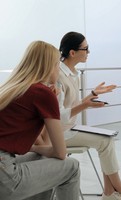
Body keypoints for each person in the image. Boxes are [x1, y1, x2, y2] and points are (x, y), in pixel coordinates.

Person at [43, 31, 121, 200]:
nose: (88, 52)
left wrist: (92, 94)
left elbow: (71, 105)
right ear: (72, 53)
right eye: (86, 49)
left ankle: (109, 193)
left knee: (105, 140)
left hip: (69, 127)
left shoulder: (73, 74)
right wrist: (85, 104)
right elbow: (56, 116)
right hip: (58, 134)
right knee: (105, 141)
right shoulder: (57, 76)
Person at [0, 41, 80, 200]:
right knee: (72, 166)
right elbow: (61, 152)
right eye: (57, 64)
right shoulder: (42, 93)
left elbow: (45, 144)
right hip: (5, 175)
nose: (58, 69)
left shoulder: (12, 88)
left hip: (4, 164)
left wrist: (50, 105)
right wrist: (52, 102)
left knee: (43, 158)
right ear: (49, 66)